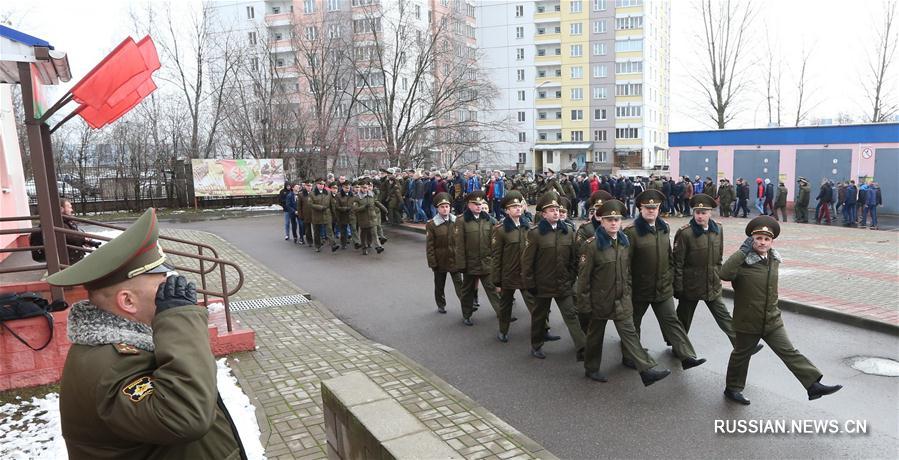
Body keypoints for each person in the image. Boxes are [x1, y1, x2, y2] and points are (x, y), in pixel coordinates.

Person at [46, 208, 246, 459]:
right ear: (128, 301)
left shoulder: (125, 343)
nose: (169, 291)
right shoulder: (109, 368)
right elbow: (186, 416)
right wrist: (180, 320)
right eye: (162, 283)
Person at [720, 216, 843, 405]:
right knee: (741, 355)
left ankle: (813, 385)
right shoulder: (742, 261)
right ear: (751, 240)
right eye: (759, 238)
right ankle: (733, 389)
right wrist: (741, 251)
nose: (762, 242)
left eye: (767, 239)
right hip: (748, 320)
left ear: (771, 242)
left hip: (771, 320)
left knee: (789, 351)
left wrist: (774, 312)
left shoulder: (773, 260)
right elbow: (724, 274)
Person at [576, 199, 671, 386]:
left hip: (621, 299)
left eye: (617, 220)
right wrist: (585, 306)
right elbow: (584, 279)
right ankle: (591, 368)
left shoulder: (624, 242)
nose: (613, 223)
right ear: (602, 222)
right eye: (609, 220)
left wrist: (627, 291)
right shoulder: (591, 245)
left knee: (630, 333)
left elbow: (627, 271)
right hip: (599, 300)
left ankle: (646, 370)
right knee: (595, 337)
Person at [621, 190, 706, 371]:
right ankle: (629, 356)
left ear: (659, 208)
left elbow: (668, 255)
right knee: (634, 323)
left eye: (655, 207)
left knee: (671, 321)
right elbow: (625, 265)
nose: (651, 211)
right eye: (647, 208)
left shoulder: (664, 227)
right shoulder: (631, 232)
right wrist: (627, 289)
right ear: (640, 209)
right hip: (640, 288)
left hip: (662, 287)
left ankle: (686, 356)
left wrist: (672, 280)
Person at [673, 194, 762, 355]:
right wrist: (678, 286)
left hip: (711, 283)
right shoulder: (685, 233)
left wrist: (718, 275)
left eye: (704, 212)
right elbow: (677, 263)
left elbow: (719, 257)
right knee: (683, 319)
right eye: (697, 212)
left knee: (724, 317)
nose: (700, 216)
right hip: (690, 284)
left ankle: (741, 345)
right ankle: (678, 347)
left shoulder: (718, 229)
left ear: (710, 213)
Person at [522, 194, 586, 360]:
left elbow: (574, 258)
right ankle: (536, 345)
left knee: (571, 314)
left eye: (557, 210)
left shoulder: (568, 231)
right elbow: (527, 262)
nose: (556, 213)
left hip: (563, 283)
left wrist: (571, 277)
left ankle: (583, 348)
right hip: (542, 284)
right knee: (539, 316)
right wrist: (530, 284)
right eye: (552, 210)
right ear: (544, 214)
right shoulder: (535, 234)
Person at [490, 191, 534, 342]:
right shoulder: (500, 230)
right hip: (508, 274)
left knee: (534, 304)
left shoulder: (527, 227)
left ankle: (543, 329)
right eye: (513, 206)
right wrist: (497, 281)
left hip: (525, 274)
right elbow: (496, 257)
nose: (517, 209)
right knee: (505, 305)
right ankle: (503, 330)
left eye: (519, 206)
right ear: (507, 210)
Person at [453, 191, 501, 326]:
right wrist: (461, 264)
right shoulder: (462, 220)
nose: (479, 206)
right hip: (470, 263)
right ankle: (466, 315)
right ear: (469, 205)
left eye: (480, 204)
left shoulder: (488, 219)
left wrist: (494, 260)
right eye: (475, 204)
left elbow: (494, 242)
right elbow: (459, 245)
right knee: (467, 291)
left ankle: (502, 314)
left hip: (486, 262)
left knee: (492, 289)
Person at [426, 193, 463, 313]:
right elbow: (430, 246)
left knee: (460, 284)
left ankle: (466, 305)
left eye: (447, 206)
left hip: (454, 259)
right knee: (439, 285)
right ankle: (441, 304)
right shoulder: (432, 224)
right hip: (440, 260)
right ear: (437, 208)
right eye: (442, 207)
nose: (445, 209)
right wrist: (432, 262)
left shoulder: (456, 221)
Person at [310, 179, 339, 253]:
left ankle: (333, 245)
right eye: (320, 184)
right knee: (317, 232)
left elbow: (332, 204)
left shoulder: (328, 192)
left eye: (323, 184)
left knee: (329, 231)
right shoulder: (312, 193)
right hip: (317, 215)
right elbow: (310, 204)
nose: (321, 185)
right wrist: (320, 207)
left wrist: (334, 215)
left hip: (327, 214)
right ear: (316, 185)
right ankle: (317, 246)